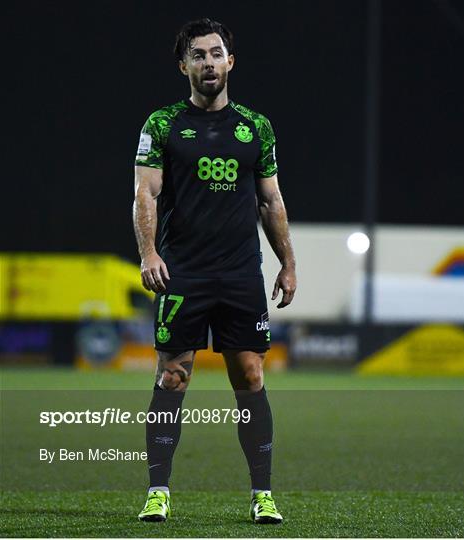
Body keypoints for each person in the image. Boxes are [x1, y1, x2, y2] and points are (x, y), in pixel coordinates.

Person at [133, 17, 296, 524]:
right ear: (184, 65)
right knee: (173, 375)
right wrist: (149, 253)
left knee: (249, 375)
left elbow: (270, 201)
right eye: (198, 54)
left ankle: (261, 495)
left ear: (231, 61)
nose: (208, 62)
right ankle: (158, 492)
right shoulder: (162, 124)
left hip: (240, 273)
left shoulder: (257, 127)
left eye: (216, 53)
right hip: (182, 272)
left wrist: (288, 262)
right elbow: (146, 192)